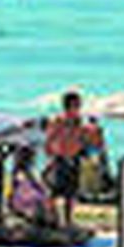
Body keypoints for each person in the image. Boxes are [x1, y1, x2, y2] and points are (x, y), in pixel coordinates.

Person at [42, 91, 97, 229]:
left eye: (79, 105)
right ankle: (52, 219)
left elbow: (88, 142)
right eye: (76, 105)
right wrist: (50, 155)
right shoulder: (59, 121)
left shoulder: (79, 122)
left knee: (70, 193)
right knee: (53, 193)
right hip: (60, 158)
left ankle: (68, 221)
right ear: (68, 106)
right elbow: (49, 139)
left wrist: (92, 132)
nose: (78, 108)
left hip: (74, 159)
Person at [8, 146, 56, 228]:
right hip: (25, 198)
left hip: (24, 197)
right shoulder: (23, 171)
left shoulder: (21, 171)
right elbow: (33, 183)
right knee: (43, 197)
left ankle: (44, 219)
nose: (33, 159)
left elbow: (34, 183)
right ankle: (42, 219)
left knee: (44, 197)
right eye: (32, 157)